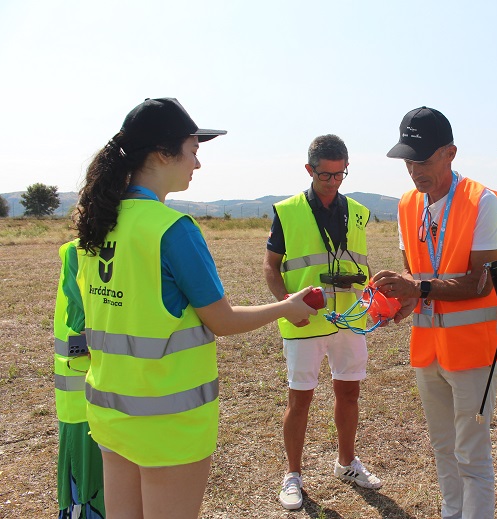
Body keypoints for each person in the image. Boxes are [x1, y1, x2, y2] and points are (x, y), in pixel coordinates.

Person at [73, 97, 316, 519]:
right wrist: (288, 307)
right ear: (163, 153)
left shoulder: (96, 224)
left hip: (111, 415)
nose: (197, 165)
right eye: (193, 151)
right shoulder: (173, 230)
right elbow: (221, 320)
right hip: (168, 423)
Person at [372, 107, 497, 519]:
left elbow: (480, 282)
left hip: (473, 350)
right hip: (428, 347)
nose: (415, 170)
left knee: (472, 454)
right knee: (443, 449)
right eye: (409, 161)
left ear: (450, 153)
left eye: (424, 159)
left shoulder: (482, 201)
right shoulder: (408, 205)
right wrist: (402, 297)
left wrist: (419, 288)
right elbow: (416, 270)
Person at [264, 134, 383, 511]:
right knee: (300, 399)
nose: (333, 182)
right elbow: (270, 266)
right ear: (309, 170)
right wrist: (287, 305)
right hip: (305, 322)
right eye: (325, 175)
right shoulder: (288, 211)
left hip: (349, 319)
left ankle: (346, 464)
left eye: (340, 174)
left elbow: (361, 265)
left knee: (349, 393)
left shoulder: (359, 212)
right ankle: (293, 475)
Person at [54, 239, 105, 519]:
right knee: (90, 494)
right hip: (82, 405)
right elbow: (80, 326)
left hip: (99, 399)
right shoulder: (79, 252)